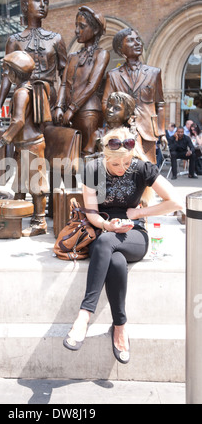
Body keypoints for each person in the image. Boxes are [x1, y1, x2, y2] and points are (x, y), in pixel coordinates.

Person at [63, 126, 183, 364]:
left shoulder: (142, 168)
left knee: (106, 244)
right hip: (104, 232)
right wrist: (108, 226)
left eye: (126, 163)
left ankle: (84, 315)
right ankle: (120, 326)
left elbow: (176, 202)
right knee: (114, 259)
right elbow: (92, 214)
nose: (121, 169)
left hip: (135, 236)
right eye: (115, 165)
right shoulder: (93, 169)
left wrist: (137, 214)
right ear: (106, 157)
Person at [0, 50, 49, 237]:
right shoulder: (28, 89)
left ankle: (39, 222)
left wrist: (3, 140)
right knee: (20, 183)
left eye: (8, 71)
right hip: (26, 143)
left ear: (15, 72)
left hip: (30, 144)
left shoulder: (21, 93)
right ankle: (17, 213)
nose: (6, 75)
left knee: (36, 183)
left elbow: (18, 121)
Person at [0, 0, 67, 123]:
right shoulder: (14, 40)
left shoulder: (56, 38)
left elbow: (65, 76)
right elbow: (7, 75)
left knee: (49, 137)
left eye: (46, 2)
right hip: (22, 96)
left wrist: (60, 105)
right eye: (37, 0)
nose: (42, 5)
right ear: (25, 6)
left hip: (48, 96)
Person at [102, 28, 166, 164]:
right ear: (120, 49)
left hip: (148, 130)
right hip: (121, 131)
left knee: (148, 168)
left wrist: (162, 133)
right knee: (123, 167)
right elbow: (105, 103)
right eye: (130, 40)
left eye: (138, 40)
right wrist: (115, 121)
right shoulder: (113, 75)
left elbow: (159, 104)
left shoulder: (154, 73)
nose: (137, 43)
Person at [54, 6, 109, 151]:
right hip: (68, 113)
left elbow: (92, 85)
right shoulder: (72, 56)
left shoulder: (101, 54)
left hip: (88, 112)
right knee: (69, 154)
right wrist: (59, 106)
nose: (76, 30)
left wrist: (72, 109)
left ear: (95, 30)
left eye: (82, 26)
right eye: (76, 26)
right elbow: (64, 84)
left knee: (88, 154)